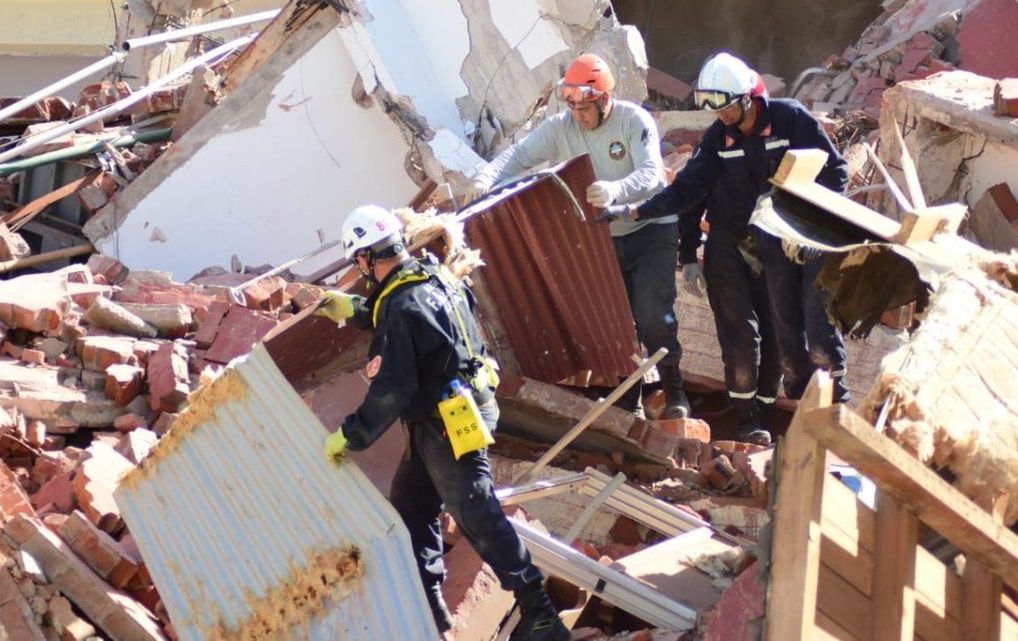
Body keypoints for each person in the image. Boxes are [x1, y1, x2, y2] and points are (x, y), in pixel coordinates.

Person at [315, 205, 570, 641]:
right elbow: (415, 322)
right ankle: (430, 608)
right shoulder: (432, 275)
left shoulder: (404, 303)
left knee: (476, 511)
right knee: (412, 504)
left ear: (365, 259)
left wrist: (353, 434)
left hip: (448, 424)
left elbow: (392, 386)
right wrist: (354, 309)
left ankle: (541, 614)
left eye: (359, 265)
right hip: (454, 412)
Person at [601, 52, 849, 444]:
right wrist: (641, 216)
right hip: (729, 247)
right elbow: (687, 193)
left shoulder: (792, 120)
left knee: (781, 333)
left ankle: (773, 415)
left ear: (749, 98)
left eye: (727, 105)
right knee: (738, 336)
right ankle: (746, 421)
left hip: (781, 244)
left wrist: (812, 227)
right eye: (712, 107)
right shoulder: (718, 139)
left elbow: (836, 173)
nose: (721, 115)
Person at [468, 53, 690, 420]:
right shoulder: (561, 127)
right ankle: (629, 401)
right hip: (605, 234)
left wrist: (616, 190)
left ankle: (675, 390)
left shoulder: (632, 121)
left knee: (652, 314)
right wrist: (486, 180)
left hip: (649, 227)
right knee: (617, 319)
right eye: (572, 107)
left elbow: (653, 174)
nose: (579, 116)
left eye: (585, 108)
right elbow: (520, 156)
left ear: (604, 100)